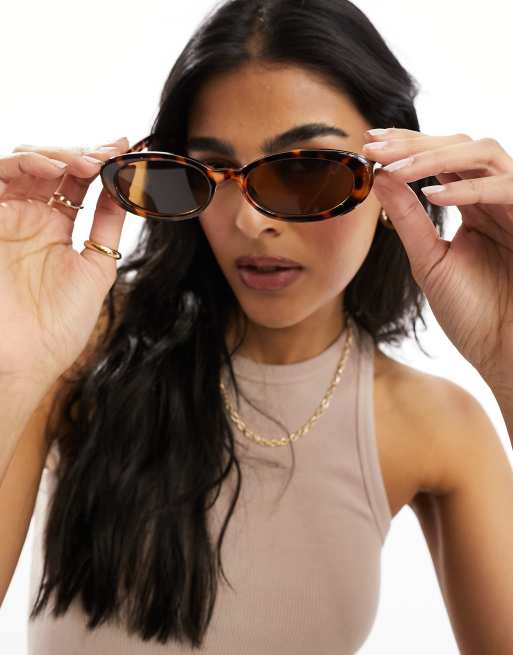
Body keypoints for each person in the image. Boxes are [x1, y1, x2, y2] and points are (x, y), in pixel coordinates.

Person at [1, 1, 513, 653]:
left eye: (305, 171)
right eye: (213, 171)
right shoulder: (80, 349)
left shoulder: (436, 427)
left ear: (394, 183)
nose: (248, 221)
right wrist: (9, 371)